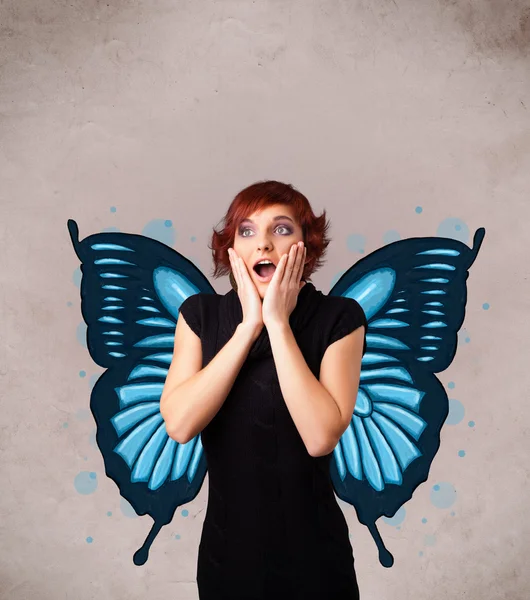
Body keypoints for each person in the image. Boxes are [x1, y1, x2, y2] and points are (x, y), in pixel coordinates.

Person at [160, 180, 367, 600]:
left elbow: (320, 436)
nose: (264, 244)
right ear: (232, 247)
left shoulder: (339, 318)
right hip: (228, 559)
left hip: (315, 561)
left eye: (282, 229)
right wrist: (248, 326)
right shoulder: (199, 315)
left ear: (305, 246)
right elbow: (180, 425)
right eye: (248, 231)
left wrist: (277, 323)